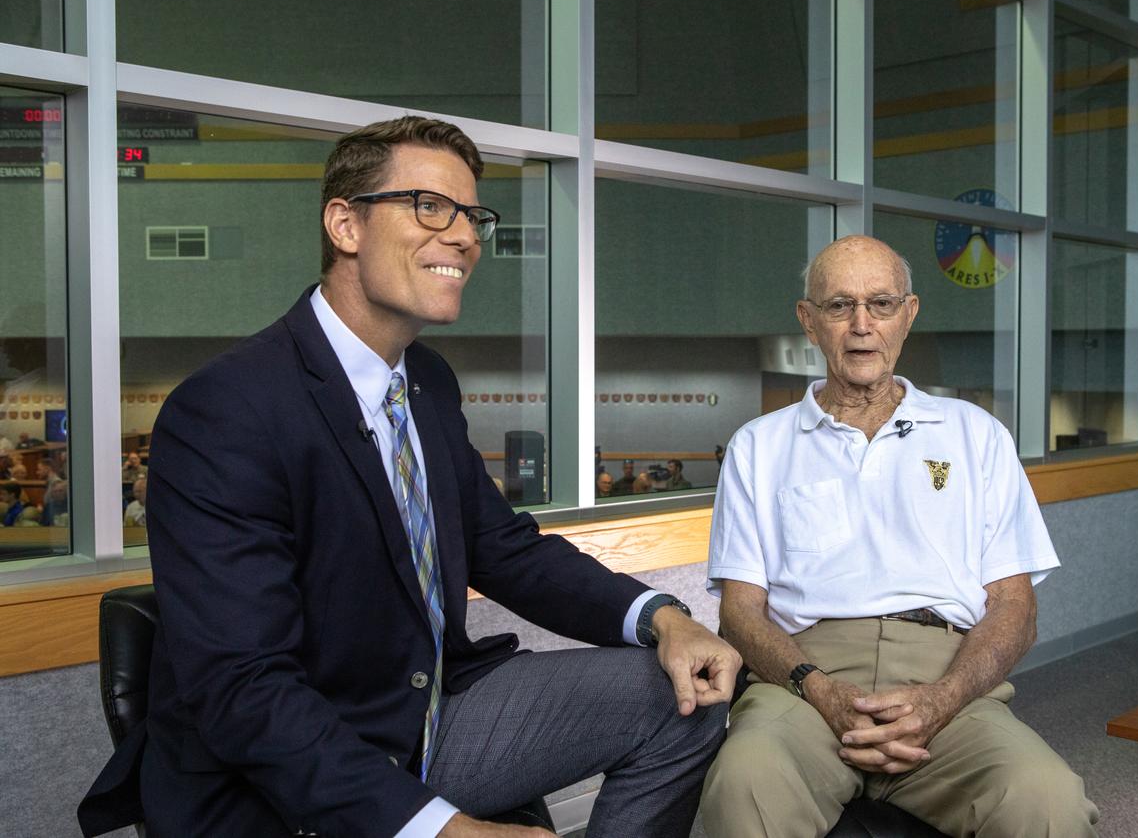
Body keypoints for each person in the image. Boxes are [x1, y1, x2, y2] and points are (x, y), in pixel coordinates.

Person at [79, 116, 739, 838]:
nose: (464, 236)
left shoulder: (426, 379)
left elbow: (505, 548)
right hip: (281, 772)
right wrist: (447, 831)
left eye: (472, 216)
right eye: (430, 206)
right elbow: (246, 691)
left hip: (426, 717)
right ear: (345, 224)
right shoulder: (227, 410)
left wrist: (663, 618)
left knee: (686, 692)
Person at [699, 236, 1098, 837]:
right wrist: (820, 689)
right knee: (745, 782)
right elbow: (740, 613)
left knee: (1047, 801)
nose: (862, 326)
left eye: (881, 305)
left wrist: (944, 698)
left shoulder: (976, 434)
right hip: (804, 681)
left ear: (908, 315)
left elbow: (1016, 605)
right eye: (839, 306)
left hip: (948, 678)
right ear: (809, 321)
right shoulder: (759, 445)